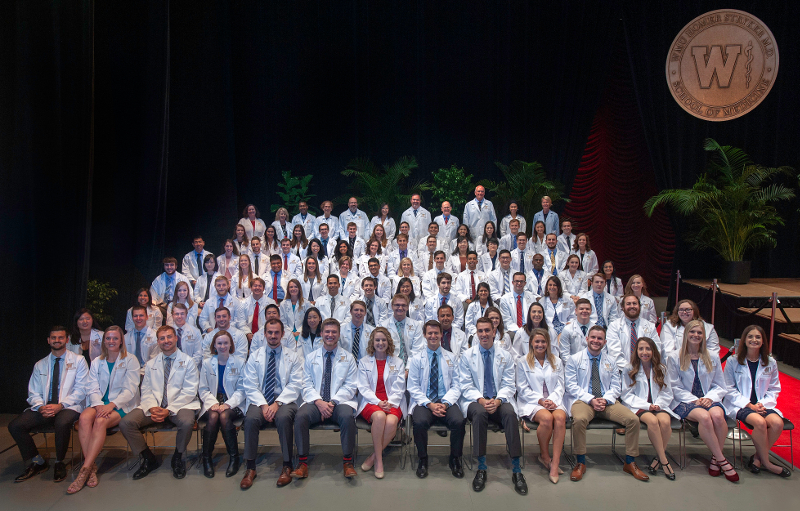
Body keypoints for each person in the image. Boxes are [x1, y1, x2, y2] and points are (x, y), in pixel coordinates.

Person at [564, 325, 649, 482]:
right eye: (593, 337)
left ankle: (630, 462)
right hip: (583, 400)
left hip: (607, 401)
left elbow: (616, 387)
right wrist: (591, 399)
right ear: (587, 339)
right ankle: (580, 462)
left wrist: (605, 399)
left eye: (600, 338)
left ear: (605, 342)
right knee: (580, 419)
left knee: (633, 420)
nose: (596, 341)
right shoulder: (574, 359)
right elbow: (571, 386)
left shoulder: (611, 361)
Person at [119, 325, 200, 480]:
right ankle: (148, 458)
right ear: (158, 342)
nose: (166, 341)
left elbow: (190, 391)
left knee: (187, 421)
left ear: (176, 338)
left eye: (169, 337)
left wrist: (169, 410)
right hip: (155, 406)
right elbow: (146, 389)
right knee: (126, 422)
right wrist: (152, 407)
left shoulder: (188, 362)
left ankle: (178, 456)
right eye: (162, 338)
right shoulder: (151, 364)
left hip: (181, 405)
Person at [9, 326, 88, 483]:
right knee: (15, 426)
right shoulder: (40, 364)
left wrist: (61, 405)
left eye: (60, 337)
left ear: (66, 340)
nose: (57, 340)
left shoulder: (79, 361)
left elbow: (82, 389)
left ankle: (59, 462)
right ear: (48, 340)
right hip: (45, 407)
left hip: (69, 406)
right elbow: (33, 392)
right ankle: (37, 462)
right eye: (53, 338)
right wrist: (40, 406)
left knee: (62, 421)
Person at [458, 317, 526, 494]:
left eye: (487, 330)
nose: (484, 334)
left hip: (498, 400)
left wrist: (498, 400)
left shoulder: (505, 355)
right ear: (476, 333)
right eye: (480, 331)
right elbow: (465, 384)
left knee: (510, 414)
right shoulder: (467, 356)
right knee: (479, 414)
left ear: (494, 331)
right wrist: (481, 400)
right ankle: (481, 467)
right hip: (476, 401)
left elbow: (509, 384)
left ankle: (516, 469)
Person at [67, 326, 139, 493]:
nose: (111, 341)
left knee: (99, 421)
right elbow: (91, 386)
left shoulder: (130, 360)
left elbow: (131, 389)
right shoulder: (97, 361)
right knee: (84, 418)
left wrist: (111, 405)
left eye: (115, 338)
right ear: (104, 341)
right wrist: (99, 404)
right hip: (100, 403)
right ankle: (91, 466)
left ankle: (84, 471)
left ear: (121, 340)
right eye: (108, 338)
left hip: (121, 405)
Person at [290, 318, 359, 480]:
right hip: (316, 401)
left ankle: (348, 462)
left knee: (347, 416)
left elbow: (351, 386)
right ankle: (302, 463)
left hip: (339, 401)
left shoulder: (348, 358)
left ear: (339, 335)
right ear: (321, 334)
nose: (330, 335)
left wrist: (332, 402)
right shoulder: (311, 357)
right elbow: (306, 383)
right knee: (300, 417)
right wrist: (319, 402)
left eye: (334, 332)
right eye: (327, 332)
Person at [667, 320, 737, 481]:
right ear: (686, 335)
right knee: (704, 417)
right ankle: (722, 460)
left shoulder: (712, 356)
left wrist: (708, 398)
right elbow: (674, 386)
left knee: (718, 416)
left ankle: (715, 458)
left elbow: (720, 384)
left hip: (708, 398)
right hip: (685, 401)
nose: (696, 335)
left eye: (699, 333)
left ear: (704, 336)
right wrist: (695, 400)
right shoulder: (674, 356)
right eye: (692, 332)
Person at [239, 319, 304, 489]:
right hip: (260, 401)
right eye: (270, 332)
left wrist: (277, 403)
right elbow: (250, 384)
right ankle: (250, 468)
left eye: (276, 332)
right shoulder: (255, 356)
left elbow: (295, 384)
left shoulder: (293, 356)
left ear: (283, 334)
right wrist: (263, 405)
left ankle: (287, 465)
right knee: (251, 419)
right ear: (264, 334)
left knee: (283, 419)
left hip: (284, 400)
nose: (273, 336)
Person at [723, 325, 789, 477]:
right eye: (750, 337)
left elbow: (774, 389)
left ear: (763, 341)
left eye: (758, 337)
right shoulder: (733, 361)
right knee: (760, 423)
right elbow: (728, 388)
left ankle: (758, 458)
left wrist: (762, 404)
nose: (754, 340)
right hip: (740, 404)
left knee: (778, 423)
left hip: (762, 405)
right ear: (744, 340)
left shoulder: (770, 362)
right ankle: (768, 463)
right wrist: (749, 404)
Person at [409, 320, 466, 479]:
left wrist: (446, 403)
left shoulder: (452, 357)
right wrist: (430, 404)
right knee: (419, 422)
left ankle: (455, 458)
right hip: (425, 401)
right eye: (430, 333)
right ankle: (422, 458)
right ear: (424, 335)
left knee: (459, 421)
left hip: (446, 400)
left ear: (441, 334)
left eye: (436, 333)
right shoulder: (416, 358)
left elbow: (457, 385)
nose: (433, 336)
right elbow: (413, 387)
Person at [621, 337, 677, 480]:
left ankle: (658, 458)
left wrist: (658, 404)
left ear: (653, 351)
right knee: (652, 421)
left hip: (659, 404)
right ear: (636, 351)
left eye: (648, 349)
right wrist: (647, 406)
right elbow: (626, 394)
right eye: (641, 349)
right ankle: (664, 461)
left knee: (665, 422)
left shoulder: (661, 368)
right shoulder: (629, 368)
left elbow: (668, 392)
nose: (644, 352)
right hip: (638, 405)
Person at [515, 328, 567, 484]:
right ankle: (545, 456)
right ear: (531, 342)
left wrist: (551, 399)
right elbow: (522, 388)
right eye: (537, 341)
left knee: (559, 418)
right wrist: (540, 401)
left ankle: (555, 463)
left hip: (554, 399)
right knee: (546, 418)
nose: (540, 344)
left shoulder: (556, 360)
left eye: (543, 341)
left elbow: (561, 385)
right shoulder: (523, 361)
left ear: (548, 343)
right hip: (532, 402)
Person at [356, 327, 406, 479]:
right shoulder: (364, 362)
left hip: (392, 402)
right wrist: (378, 402)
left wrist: (389, 403)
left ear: (388, 342)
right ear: (372, 342)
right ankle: (379, 462)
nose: (380, 343)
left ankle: (373, 457)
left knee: (391, 422)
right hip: (371, 401)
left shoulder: (397, 362)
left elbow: (400, 386)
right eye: (377, 340)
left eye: (383, 340)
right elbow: (363, 387)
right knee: (379, 417)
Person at [197, 330, 246, 478]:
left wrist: (228, 404)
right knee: (213, 417)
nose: (222, 346)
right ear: (214, 345)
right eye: (219, 343)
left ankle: (234, 458)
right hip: (212, 401)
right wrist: (213, 403)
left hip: (233, 403)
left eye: (226, 342)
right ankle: (207, 459)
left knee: (224, 417)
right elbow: (203, 388)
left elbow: (242, 389)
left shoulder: (239, 362)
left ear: (231, 344)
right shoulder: (207, 363)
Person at [606, 294, 660, 372]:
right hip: (622, 371)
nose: (632, 306)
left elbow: (656, 349)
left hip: (646, 370)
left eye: (634, 303)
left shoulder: (650, 326)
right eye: (628, 304)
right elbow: (614, 353)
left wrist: (643, 369)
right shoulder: (614, 326)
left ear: (639, 306)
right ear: (623, 308)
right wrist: (631, 369)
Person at [381, 292, 424, 364]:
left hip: (412, 366)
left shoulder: (416, 325)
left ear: (407, 307)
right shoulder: (383, 326)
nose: (400, 308)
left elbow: (417, 350)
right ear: (392, 306)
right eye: (397, 305)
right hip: (390, 366)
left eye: (403, 305)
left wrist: (408, 369)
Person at [234, 277, 276, 347]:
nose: (257, 288)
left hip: (265, 335)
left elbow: (272, 321)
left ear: (263, 288)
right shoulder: (243, 303)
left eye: (260, 286)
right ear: (251, 288)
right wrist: (248, 334)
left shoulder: (271, 303)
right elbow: (241, 322)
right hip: (247, 337)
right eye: (255, 286)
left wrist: (258, 335)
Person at [499, 272, 537, 340]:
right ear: (512, 282)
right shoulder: (505, 299)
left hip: (529, 330)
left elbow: (533, 317)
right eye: (517, 281)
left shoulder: (531, 298)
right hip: (512, 331)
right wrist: (521, 332)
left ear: (525, 283)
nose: (519, 283)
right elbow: (507, 321)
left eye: (521, 281)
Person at [124, 305, 159, 374]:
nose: (138, 318)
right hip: (130, 373)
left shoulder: (155, 337)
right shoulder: (125, 338)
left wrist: (141, 373)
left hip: (149, 373)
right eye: (135, 316)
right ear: (132, 318)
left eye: (141, 315)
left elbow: (154, 360)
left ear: (147, 317)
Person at [557, 298, 595, 362]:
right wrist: (574, 367)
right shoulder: (567, 329)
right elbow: (564, 354)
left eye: (587, 309)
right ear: (576, 311)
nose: (584, 311)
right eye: (581, 309)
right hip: (572, 367)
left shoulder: (596, 329)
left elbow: (601, 352)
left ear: (591, 311)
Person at [171, 303, 204, 369]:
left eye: (182, 313)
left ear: (186, 315)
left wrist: (188, 367)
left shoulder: (195, 331)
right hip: (172, 368)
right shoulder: (168, 332)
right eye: (177, 314)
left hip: (191, 369)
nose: (179, 316)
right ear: (172, 315)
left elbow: (198, 353)